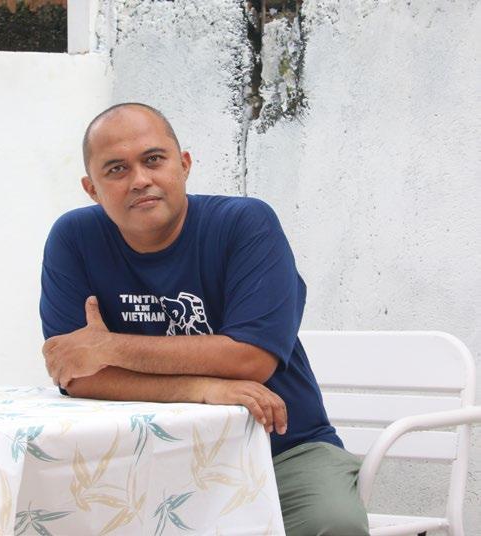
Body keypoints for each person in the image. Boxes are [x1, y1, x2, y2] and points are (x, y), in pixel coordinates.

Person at [40, 102, 369, 535]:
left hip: (277, 449)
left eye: (153, 160)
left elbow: (252, 359)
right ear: (92, 188)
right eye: (116, 169)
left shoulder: (244, 225)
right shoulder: (74, 238)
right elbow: (76, 375)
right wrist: (202, 389)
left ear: (184, 164)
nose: (139, 180)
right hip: (141, 460)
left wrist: (109, 348)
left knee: (333, 525)